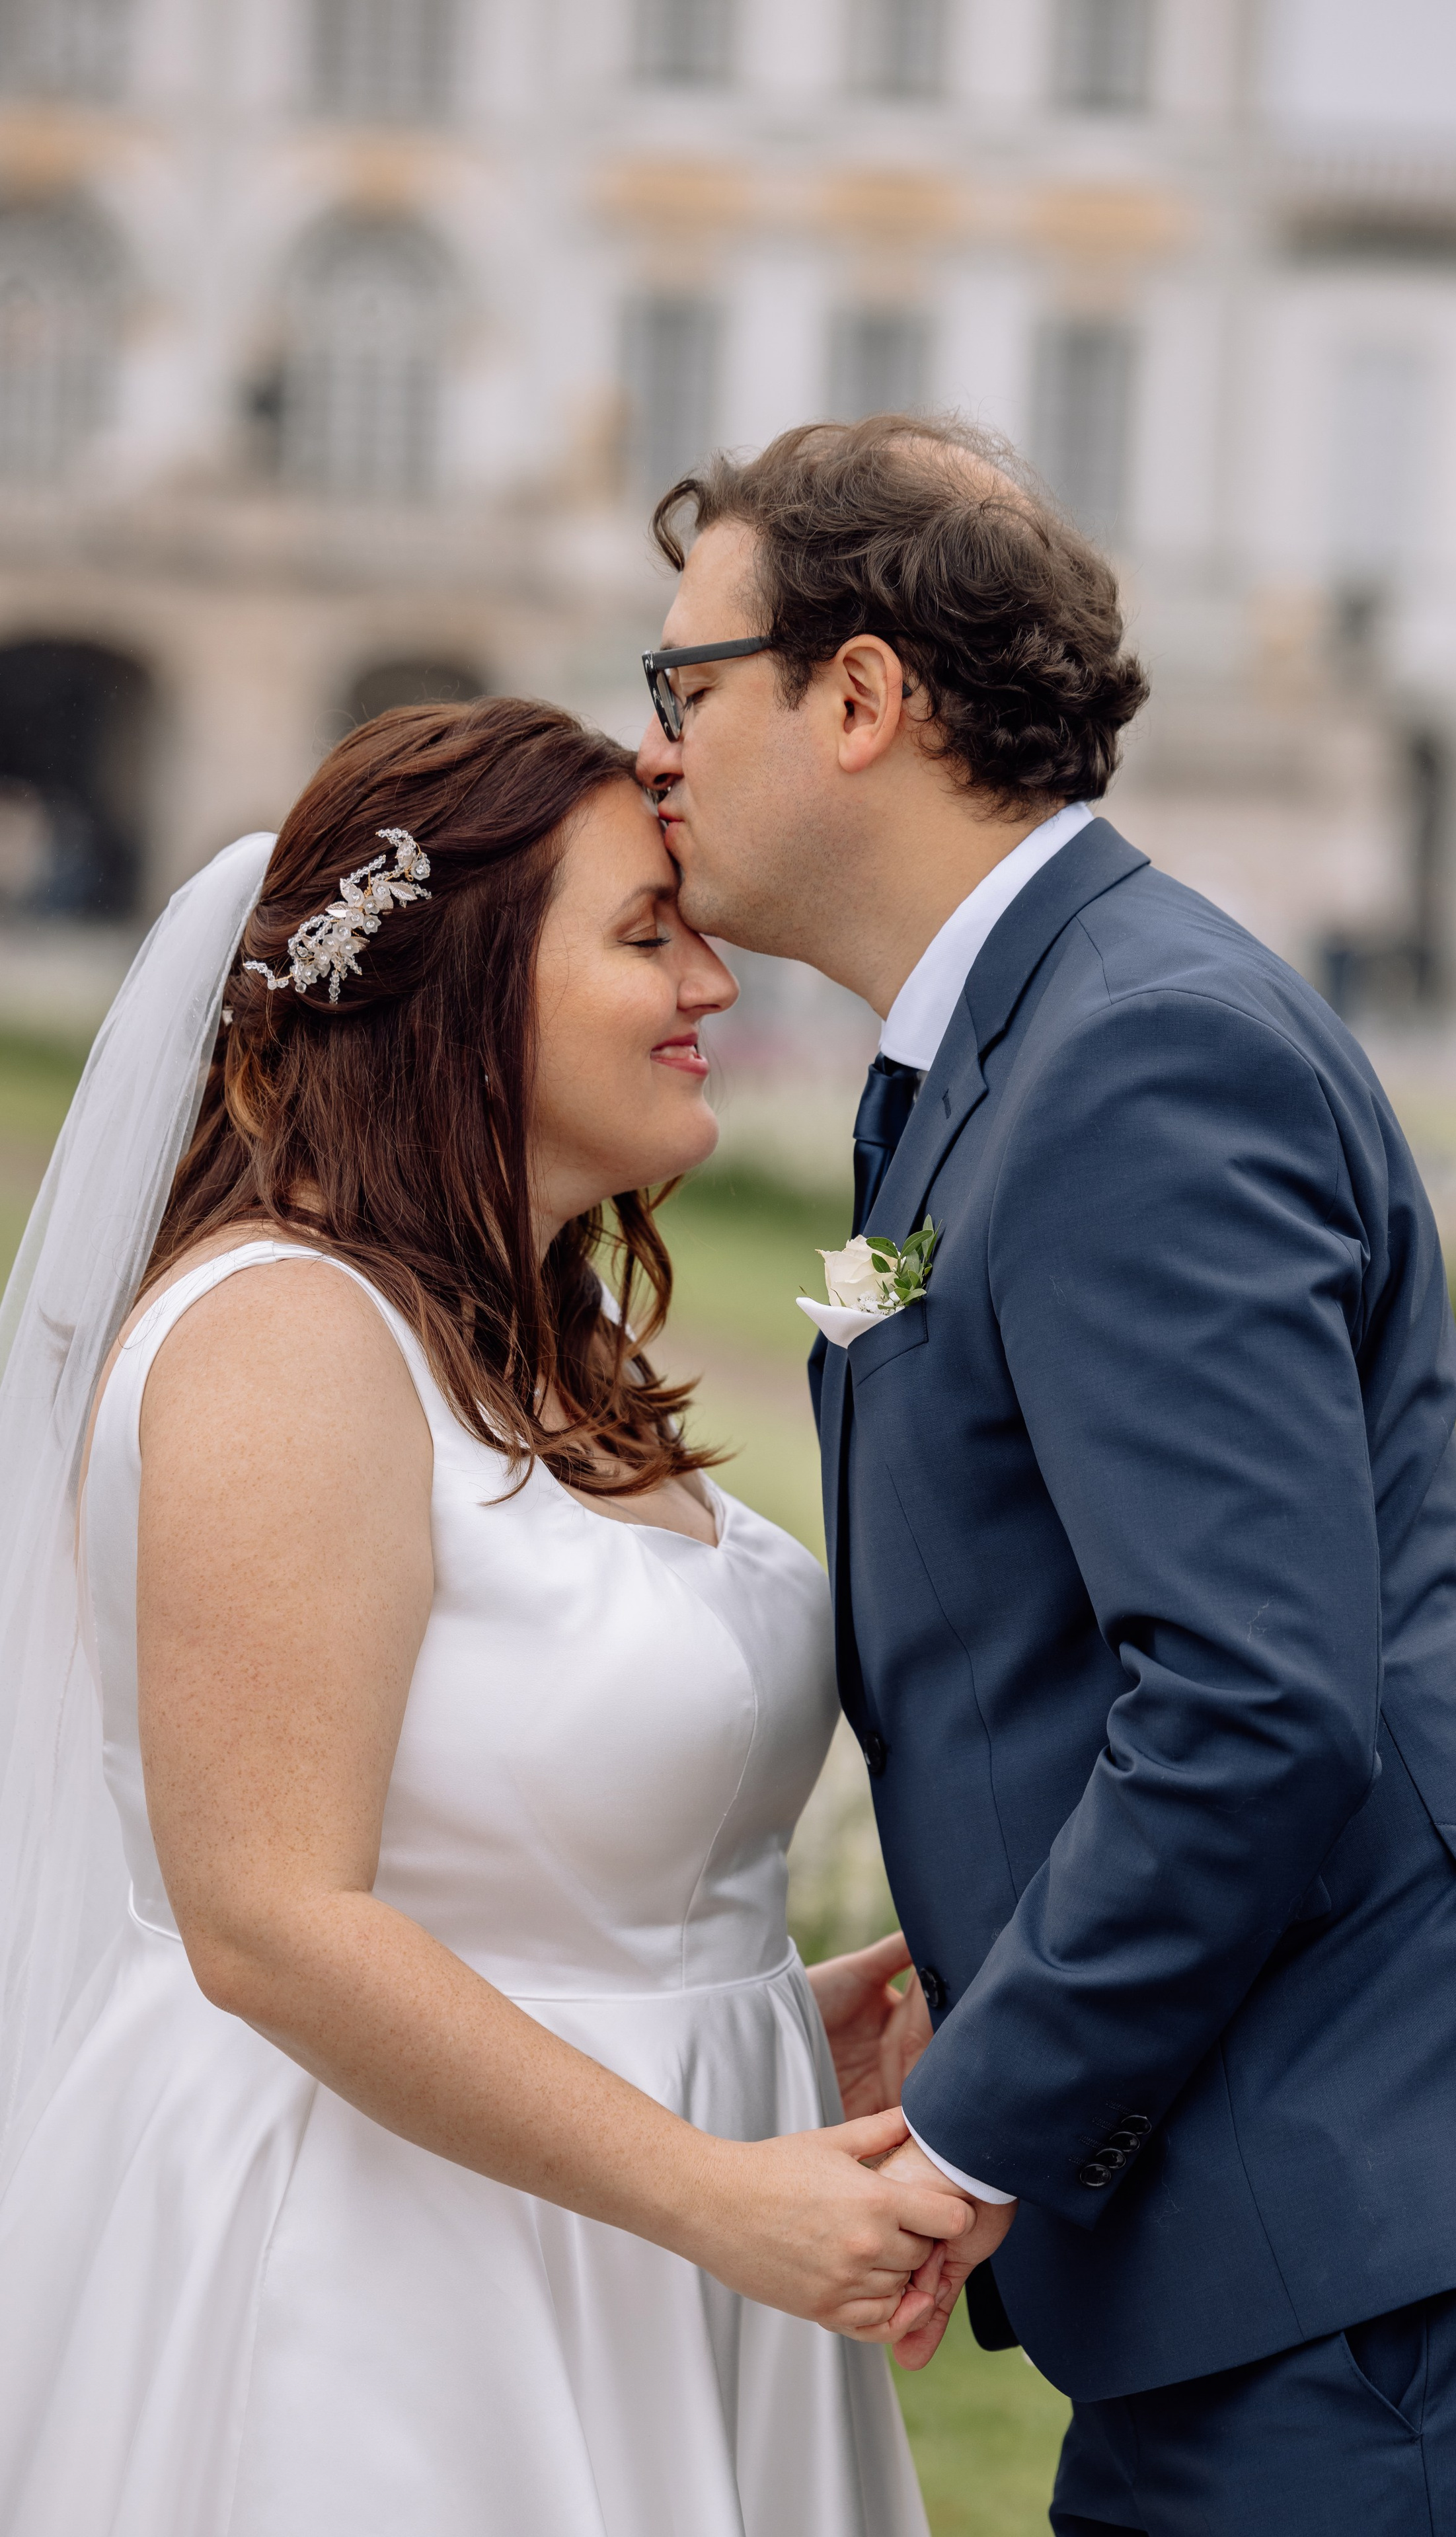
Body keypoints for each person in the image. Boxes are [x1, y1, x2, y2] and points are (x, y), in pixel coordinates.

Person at [633, 414, 1456, 2537]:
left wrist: (966, 2141)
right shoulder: (994, 1051)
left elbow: (1249, 1700)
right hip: (1257, 2207)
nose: (651, 749)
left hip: (1389, 2221)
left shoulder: (1137, 1053)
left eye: (683, 689)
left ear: (860, 698)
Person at [0, 696, 963, 2536]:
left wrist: (744, 2013)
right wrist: (714, 2189)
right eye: (644, 934)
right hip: (380, 2282)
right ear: (455, 990)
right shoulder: (283, 1335)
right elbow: (270, 1918)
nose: (713, 986)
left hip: (620, 2217)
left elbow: (523, 1849)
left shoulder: (526, 1344)